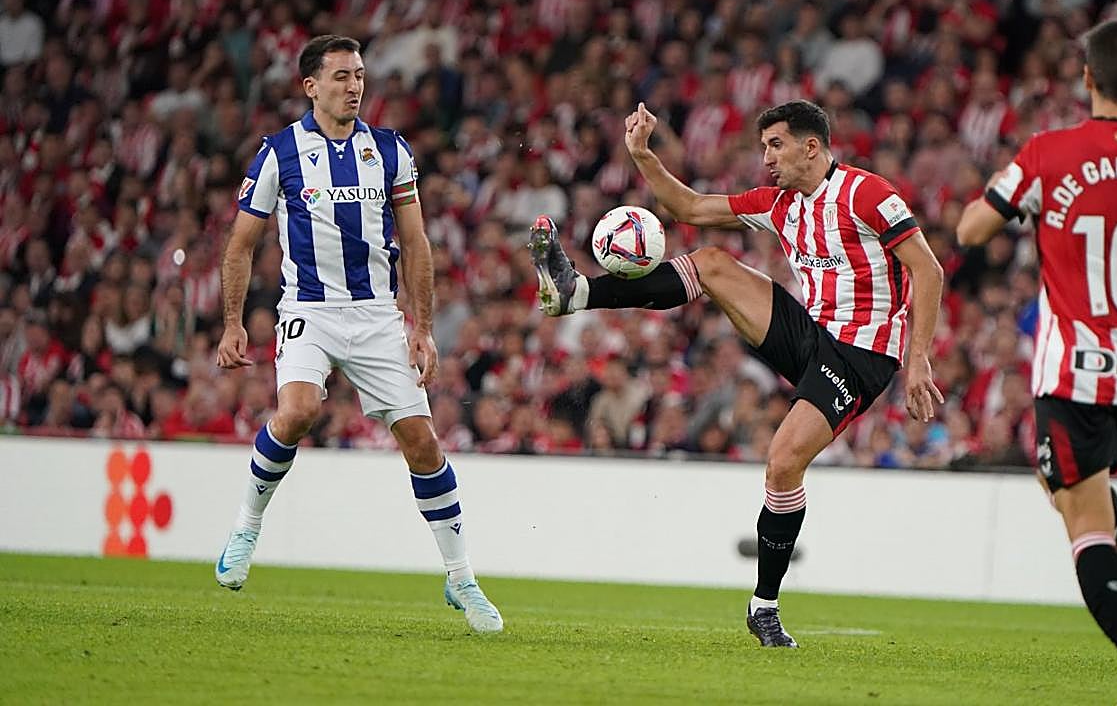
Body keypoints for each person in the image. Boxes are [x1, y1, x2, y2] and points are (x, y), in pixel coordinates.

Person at [529, 100, 945, 646]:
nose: (766, 157)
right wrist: (643, 155)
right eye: (764, 147)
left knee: (782, 464)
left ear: (810, 146)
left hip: (860, 356)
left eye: (775, 145)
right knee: (712, 263)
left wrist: (918, 359)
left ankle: (764, 606)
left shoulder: (869, 195)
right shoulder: (780, 204)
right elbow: (691, 207)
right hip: (810, 335)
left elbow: (927, 269)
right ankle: (575, 291)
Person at [214, 35, 502, 633]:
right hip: (310, 311)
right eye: (341, 76)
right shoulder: (279, 154)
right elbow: (240, 244)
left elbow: (417, 242)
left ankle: (461, 578)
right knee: (297, 413)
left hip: (376, 315)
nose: (354, 86)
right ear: (311, 86)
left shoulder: (390, 151)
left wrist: (421, 327)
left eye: (360, 75)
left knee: (422, 443)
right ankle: (247, 527)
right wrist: (233, 322)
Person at [957, 17, 1117, 705]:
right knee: (1061, 483)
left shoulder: (1047, 152)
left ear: (1087, 78)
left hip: (1073, 368)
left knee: (1079, 518)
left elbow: (973, 228)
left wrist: (1006, 200)